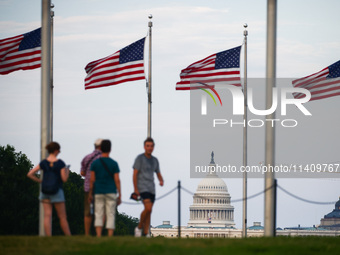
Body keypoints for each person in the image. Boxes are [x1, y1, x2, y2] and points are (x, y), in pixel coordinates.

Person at [27, 142, 71, 236]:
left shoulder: (44, 163)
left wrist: (40, 181)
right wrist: (67, 172)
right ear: (55, 150)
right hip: (57, 191)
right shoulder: (60, 163)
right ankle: (68, 236)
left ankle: (48, 236)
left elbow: (30, 174)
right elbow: (64, 179)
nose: (59, 151)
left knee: (47, 215)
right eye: (59, 150)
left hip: (45, 191)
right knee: (62, 216)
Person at [89, 139, 121, 237]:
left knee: (98, 213)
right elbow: (117, 180)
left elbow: (92, 180)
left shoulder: (95, 163)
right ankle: (110, 235)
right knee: (110, 213)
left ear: (101, 149)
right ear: (110, 149)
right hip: (111, 191)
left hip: (98, 191)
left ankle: (98, 235)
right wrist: (120, 194)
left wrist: (90, 193)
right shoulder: (114, 163)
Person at [133, 137, 164, 237]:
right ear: (144, 147)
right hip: (142, 187)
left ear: (153, 147)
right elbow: (135, 174)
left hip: (152, 188)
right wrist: (136, 189)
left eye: (151, 146)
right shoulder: (139, 159)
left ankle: (146, 232)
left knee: (149, 211)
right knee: (148, 208)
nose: (149, 148)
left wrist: (161, 180)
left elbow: (158, 172)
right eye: (147, 146)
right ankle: (139, 227)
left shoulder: (155, 160)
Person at [80, 139, 102, 236]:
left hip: (88, 187)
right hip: (100, 188)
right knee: (99, 212)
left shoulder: (87, 157)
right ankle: (98, 234)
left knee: (87, 212)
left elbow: (82, 172)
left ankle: (87, 233)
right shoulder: (103, 158)